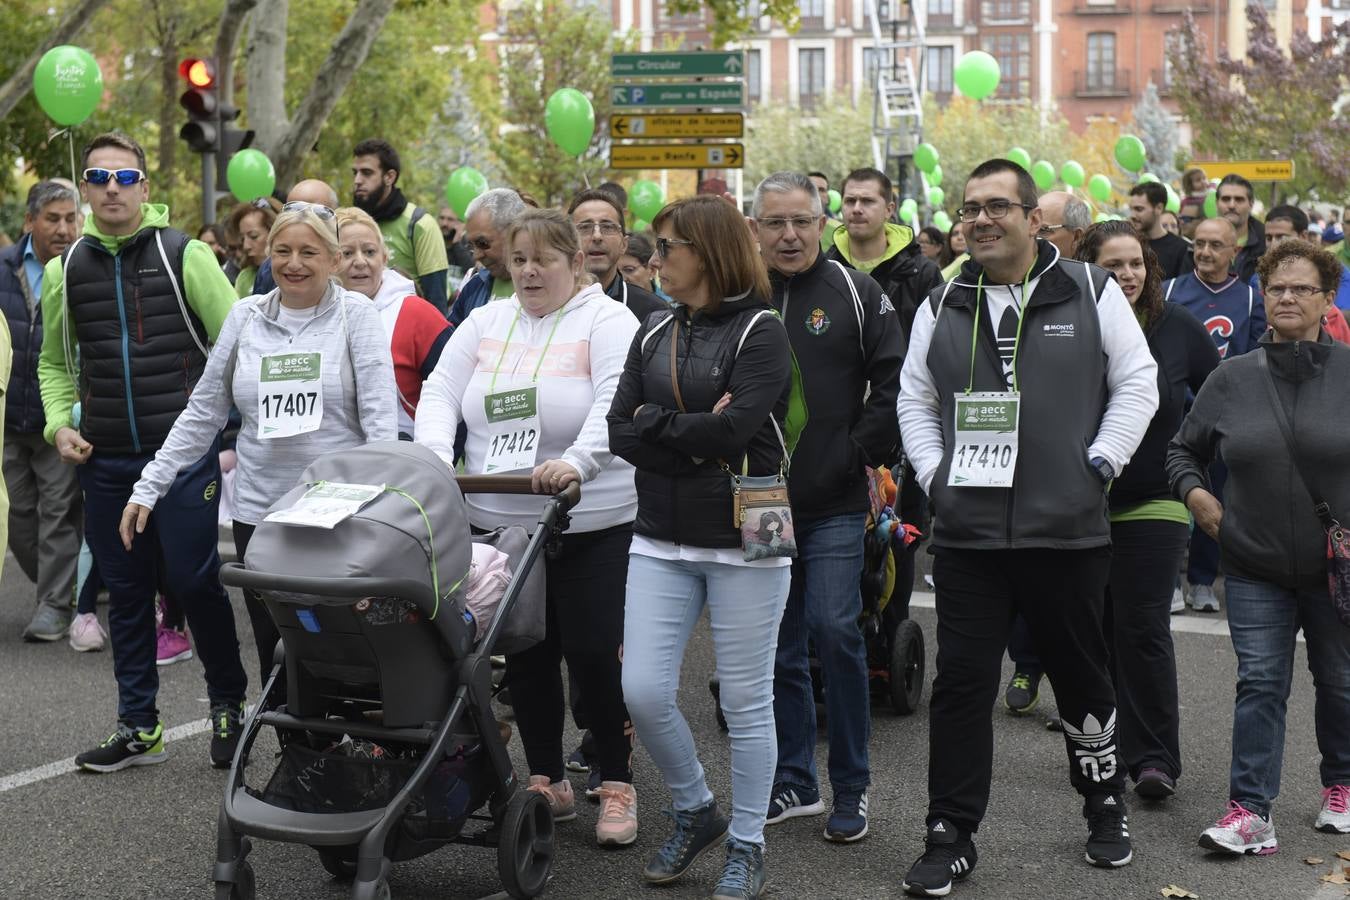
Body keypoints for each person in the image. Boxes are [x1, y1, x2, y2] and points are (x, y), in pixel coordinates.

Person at [897, 158, 1158, 895]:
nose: (980, 220)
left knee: (1081, 679)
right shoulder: (943, 300)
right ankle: (949, 832)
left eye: (996, 207)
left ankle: (1104, 803)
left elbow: (1138, 380)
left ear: (1033, 220)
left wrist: (1099, 462)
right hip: (971, 536)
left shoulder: (1089, 289)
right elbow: (913, 398)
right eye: (969, 209)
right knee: (961, 685)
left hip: (1066, 533)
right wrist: (933, 475)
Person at [418, 208, 642, 848]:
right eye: (518, 260)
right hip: (500, 521)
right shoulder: (485, 321)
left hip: (590, 519)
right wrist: (435, 457)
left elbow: (614, 401)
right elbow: (439, 393)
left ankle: (616, 779)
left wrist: (575, 462)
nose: (528, 272)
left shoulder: (608, 320)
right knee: (526, 655)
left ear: (576, 262)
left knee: (595, 655)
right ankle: (547, 778)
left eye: (543, 259)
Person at [37, 131, 249, 772]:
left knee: (191, 578)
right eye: (98, 178)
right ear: (85, 188)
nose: (111, 190)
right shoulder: (64, 269)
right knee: (125, 593)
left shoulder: (184, 254)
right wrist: (57, 426)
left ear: (146, 188)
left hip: (182, 455)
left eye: (124, 178)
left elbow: (238, 341)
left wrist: (229, 433)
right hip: (106, 459)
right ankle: (138, 726)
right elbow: (54, 363)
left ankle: (228, 705)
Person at [123, 200, 395, 675]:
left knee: (338, 647)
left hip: (337, 513)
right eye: (283, 250)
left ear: (333, 260)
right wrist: (151, 483)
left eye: (309, 252)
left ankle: (342, 744)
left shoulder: (358, 316)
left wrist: (382, 508)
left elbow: (379, 421)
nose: (293, 264)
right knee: (274, 646)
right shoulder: (246, 316)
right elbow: (204, 410)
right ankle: (295, 748)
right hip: (260, 512)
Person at [609, 195, 791, 899]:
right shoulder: (654, 331)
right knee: (643, 690)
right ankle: (695, 808)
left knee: (747, 700)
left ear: (707, 252)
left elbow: (735, 431)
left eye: (668, 249)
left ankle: (748, 841)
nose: (655, 262)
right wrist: (680, 427)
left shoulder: (762, 332)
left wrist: (661, 426)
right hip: (660, 533)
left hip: (750, 531)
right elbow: (619, 430)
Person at [1166, 238, 1350, 855]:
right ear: (1262, 297)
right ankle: (1250, 813)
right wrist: (1197, 497)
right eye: (1277, 288)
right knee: (1261, 682)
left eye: (1302, 287)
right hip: (1252, 563)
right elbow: (1182, 450)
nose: (1288, 297)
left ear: (1327, 300)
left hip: (1336, 567)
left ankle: (1342, 787)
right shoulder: (1231, 377)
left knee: (1342, 679)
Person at [749, 172, 904, 843]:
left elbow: (895, 381)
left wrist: (856, 452)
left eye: (801, 222)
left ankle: (852, 785)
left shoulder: (855, 290)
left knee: (835, 630)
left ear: (822, 223)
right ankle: (794, 780)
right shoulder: (743, 295)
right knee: (776, 644)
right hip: (759, 498)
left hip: (838, 498)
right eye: (774, 223)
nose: (788, 235)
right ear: (755, 229)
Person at [1075, 221, 1219, 801]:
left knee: (1143, 626)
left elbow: (1223, 395)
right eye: (1113, 265)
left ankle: (1155, 758)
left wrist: (1194, 468)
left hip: (1156, 499)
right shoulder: (1067, 327)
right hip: (1078, 502)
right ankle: (1102, 748)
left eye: (1136, 263)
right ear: (1088, 269)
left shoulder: (1176, 326)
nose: (1128, 275)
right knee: (1094, 632)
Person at [1163, 217, 1267, 614]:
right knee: (1171, 495)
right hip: (1174, 413)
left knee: (1216, 495)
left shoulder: (1250, 299)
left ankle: (1203, 580)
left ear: (1234, 252)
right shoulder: (1170, 290)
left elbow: (1256, 354)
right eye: (1199, 244)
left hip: (1225, 417)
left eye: (1214, 245)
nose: (1204, 252)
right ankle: (1170, 579)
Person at [1, 180, 82, 643]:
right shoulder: (2, 268)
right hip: (7, 419)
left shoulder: (83, 267)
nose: (64, 228)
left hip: (58, 419)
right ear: (30, 222)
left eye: (71, 218)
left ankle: (54, 604)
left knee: (58, 512)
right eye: (53, 219)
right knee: (18, 516)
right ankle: (60, 586)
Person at [334, 206, 450, 440]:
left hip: (404, 462)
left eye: (369, 252)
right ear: (329, 261)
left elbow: (452, 398)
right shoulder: (314, 317)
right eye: (347, 254)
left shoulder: (418, 315)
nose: (360, 262)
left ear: (385, 258)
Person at [825, 167, 942, 346]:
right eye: (850, 201)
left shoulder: (922, 273)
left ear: (889, 210)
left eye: (867, 201)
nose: (856, 209)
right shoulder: (826, 270)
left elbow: (938, 343)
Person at [351, 138, 449, 315]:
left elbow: (437, 302)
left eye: (366, 173)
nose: (357, 180)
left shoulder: (420, 224)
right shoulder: (351, 224)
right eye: (355, 172)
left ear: (389, 177)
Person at [567, 189, 669, 321]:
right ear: (567, 242)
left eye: (608, 227)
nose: (597, 236)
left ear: (624, 244)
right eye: (585, 227)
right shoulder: (547, 306)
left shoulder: (654, 312)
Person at [449, 187, 528, 326]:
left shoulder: (547, 289)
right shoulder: (474, 287)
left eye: (483, 243)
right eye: (471, 246)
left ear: (514, 232)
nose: (477, 256)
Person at [250, 179, 340, 298]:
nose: (304, 218)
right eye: (292, 209)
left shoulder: (358, 309)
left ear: (335, 261)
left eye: (319, 212)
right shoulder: (268, 270)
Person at [1267, 205, 1350, 313]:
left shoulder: (1330, 265)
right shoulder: (1258, 277)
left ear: (1303, 236)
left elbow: (1342, 314)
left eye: (1302, 289)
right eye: (1268, 238)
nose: (1273, 244)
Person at [1128, 182, 1191, 279]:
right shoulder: (1128, 245)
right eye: (1131, 209)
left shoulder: (1181, 248)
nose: (1132, 215)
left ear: (1158, 208)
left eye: (1139, 209)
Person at [1216, 174, 1266, 283]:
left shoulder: (1267, 242)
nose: (1232, 205)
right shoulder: (1200, 243)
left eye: (1239, 199)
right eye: (1226, 199)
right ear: (1217, 203)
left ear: (1251, 204)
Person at [227, 198, 278, 298]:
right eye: (242, 239)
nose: (246, 246)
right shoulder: (244, 277)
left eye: (253, 236)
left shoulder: (293, 273)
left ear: (274, 232)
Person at [1037, 190, 1091, 259]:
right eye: (1029, 228)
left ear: (1077, 237)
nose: (1031, 237)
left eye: (1043, 230)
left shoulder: (1096, 269)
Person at [808, 171, 844, 251]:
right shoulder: (789, 228)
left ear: (827, 198)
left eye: (821, 190)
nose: (816, 193)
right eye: (811, 188)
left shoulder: (840, 231)